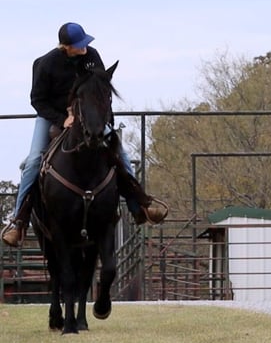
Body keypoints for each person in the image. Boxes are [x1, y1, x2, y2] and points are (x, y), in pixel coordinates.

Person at [1, 23, 168, 247]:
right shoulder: (46, 64)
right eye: (79, 45)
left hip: (87, 116)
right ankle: (18, 222)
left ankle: (139, 205)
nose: (84, 48)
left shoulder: (92, 57)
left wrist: (96, 117)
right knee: (32, 162)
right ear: (65, 47)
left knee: (121, 154)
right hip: (52, 115)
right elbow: (37, 100)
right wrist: (63, 119)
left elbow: (100, 88)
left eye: (85, 43)